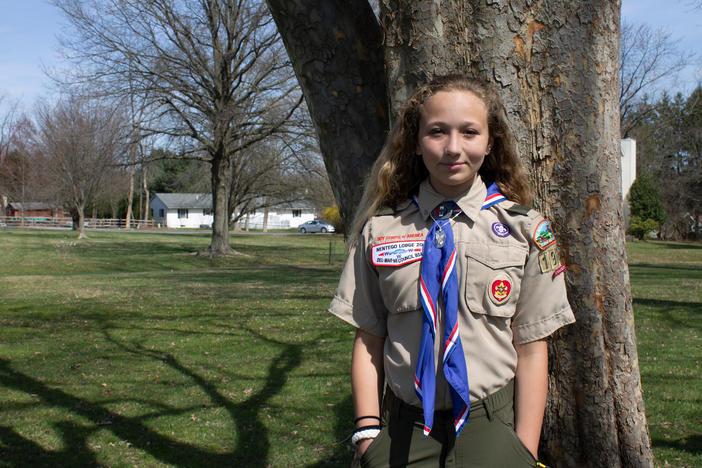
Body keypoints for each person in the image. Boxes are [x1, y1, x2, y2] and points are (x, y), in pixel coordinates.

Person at [328, 74, 575, 468]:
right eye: (437, 132)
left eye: (470, 132)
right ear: (416, 141)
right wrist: (367, 433)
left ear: (490, 142)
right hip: (404, 433)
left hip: (490, 430)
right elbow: (369, 338)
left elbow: (531, 347)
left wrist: (524, 450)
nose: (453, 148)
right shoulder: (381, 229)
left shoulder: (524, 230)